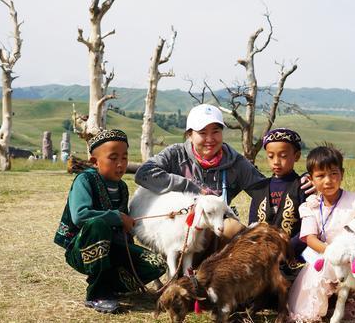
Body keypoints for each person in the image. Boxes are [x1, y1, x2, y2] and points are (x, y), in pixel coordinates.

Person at [54, 129, 166, 314]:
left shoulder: (121, 187)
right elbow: (80, 216)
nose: (121, 164)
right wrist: (117, 217)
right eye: (113, 158)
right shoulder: (85, 179)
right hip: (82, 248)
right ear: (95, 161)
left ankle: (112, 286)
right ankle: (97, 294)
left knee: (156, 263)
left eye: (124, 157)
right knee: (98, 225)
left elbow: (122, 227)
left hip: (112, 248)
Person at [287, 144, 355, 322]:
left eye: (333, 173)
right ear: (311, 179)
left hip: (354, 259)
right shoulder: (310, 206)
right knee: (319, 279)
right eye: (320, 176)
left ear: (342, 174)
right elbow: (309, 237)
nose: (328, 181)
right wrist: (331, 252)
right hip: (326, 255)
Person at [135, 104, 265, 241]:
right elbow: (144, 173)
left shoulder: (235, 163)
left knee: (233, 228)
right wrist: (187, 186)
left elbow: (263, 190)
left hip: (216, 228)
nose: (210, 139)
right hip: (176, 230)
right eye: (202, 133)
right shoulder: (176, 155)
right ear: (190, 135)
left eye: (215, 131)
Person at [246, 128, 308, 267]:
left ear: (296, 156)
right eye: (270, 156)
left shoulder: (303, 187)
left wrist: (285, 250)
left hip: (294, 257)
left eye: (283, 155)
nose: (276, 161)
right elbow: (252, 226)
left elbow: (307, 228)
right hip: (262, 259)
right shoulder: (259, 189)